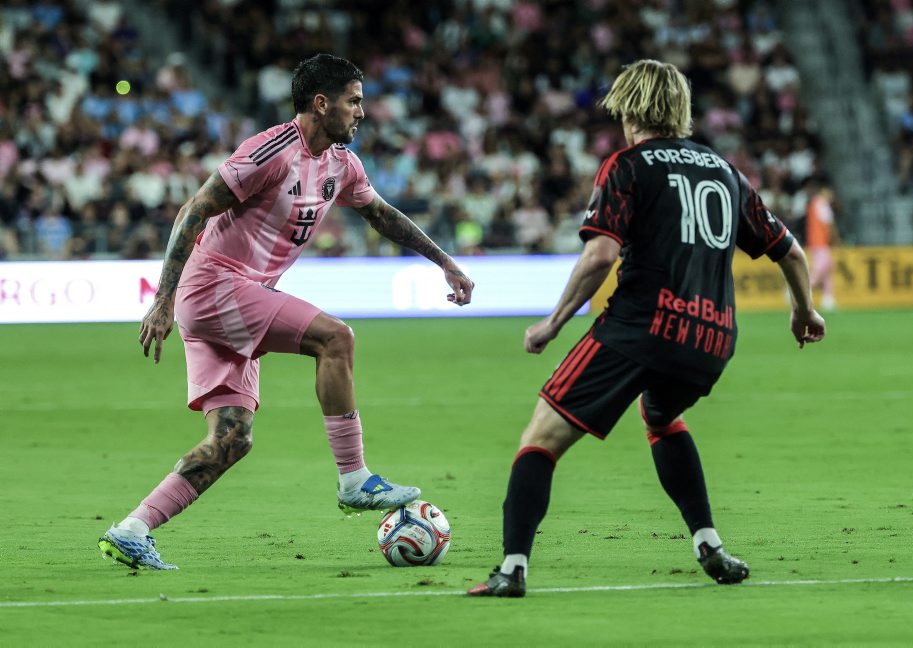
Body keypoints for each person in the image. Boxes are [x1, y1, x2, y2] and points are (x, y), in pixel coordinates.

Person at [98, 54, 474, 570]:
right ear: (321, 103)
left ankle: (131, 529)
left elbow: (381, 215)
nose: (362, 112)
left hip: (232, 300)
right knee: (335, 338)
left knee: (231, 440)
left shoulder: (342, 164)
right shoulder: (271, 151)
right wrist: (162, 299)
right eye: (353, 101)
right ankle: (354, 478)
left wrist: (444, 261)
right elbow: (194, 210)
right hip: (213, 287)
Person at [467, 59, 825, 597]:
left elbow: (600, 256)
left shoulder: (627, 166)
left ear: (630, 108)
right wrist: (804, 310)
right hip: (711, 338)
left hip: (640, 328)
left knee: (541, 437)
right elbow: (790, 252)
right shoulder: (724, 171)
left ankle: (512, 568)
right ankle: (709, 543)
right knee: (661, 415)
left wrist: (553, 322)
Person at [805, 181, 840, 311]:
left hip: (815, 241)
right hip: (821, 242)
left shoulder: (813, 204)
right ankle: (800, 290)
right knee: (820, 270)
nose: (831, 196)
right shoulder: (822, 204)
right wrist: (836, 240)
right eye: (829, 193)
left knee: (827, 269)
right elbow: (829, 224)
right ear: (823, 192)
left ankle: (828, 298)